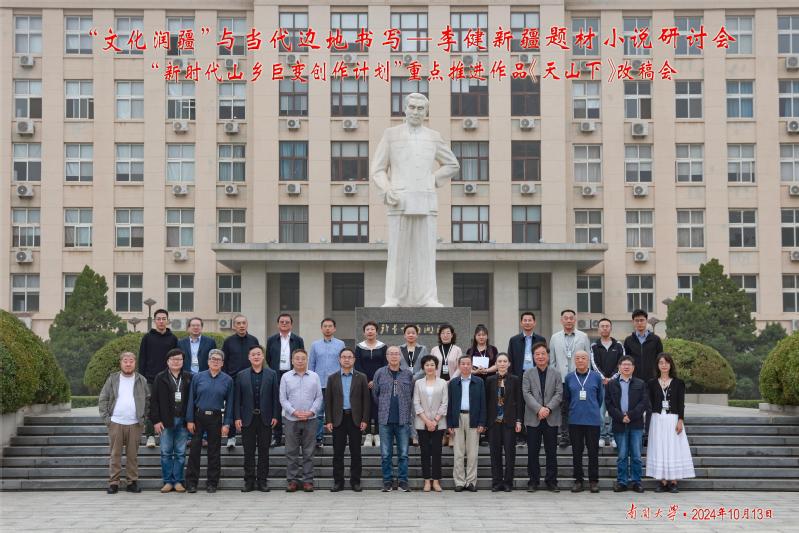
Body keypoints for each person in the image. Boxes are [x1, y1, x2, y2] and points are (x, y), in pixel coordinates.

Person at [371, 92, 460, 307]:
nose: (415, 112)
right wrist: (387, 188)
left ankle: (428, 297)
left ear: (426, 112)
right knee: (397, 254)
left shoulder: (433, 136)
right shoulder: (391, 135)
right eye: (412, 107)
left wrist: (432, 179)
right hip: (399, 201)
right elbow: (378, 169)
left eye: (420, 109)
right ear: (404, 108)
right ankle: (393, 298)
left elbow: (452, 164)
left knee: (425, 254)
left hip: (426, 202)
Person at [99, 351, 150, 494]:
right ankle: (113, 482)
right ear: (120, 363)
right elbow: (103, 398)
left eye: (131, 361)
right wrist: (107, 419)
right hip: (116, 422)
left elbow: (148, 400)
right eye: (125, 361)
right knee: (115, 454)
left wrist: (144, 418)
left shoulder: (141, 380)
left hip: (135, 423)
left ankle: (132, 482)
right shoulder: (112, 379)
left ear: (135, 363)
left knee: (132, 455)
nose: (128, 364)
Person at [185, 349, 234, 493]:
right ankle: (191, 483)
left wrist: (227, 423)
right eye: (213, 359)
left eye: (218, 359)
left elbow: (230, 403)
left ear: (222, 363)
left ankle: (212, 483)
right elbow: (191, 400)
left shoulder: (228, 380)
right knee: (194, 450)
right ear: (208, 361)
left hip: (216, 417)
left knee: (214, 451)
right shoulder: (198, 377)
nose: (215, 361)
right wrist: (189, 419)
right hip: (199, 417)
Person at [646, 353, 695, 493]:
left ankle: (673, 481)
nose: (664, 365)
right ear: (657, 365)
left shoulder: (679, 383)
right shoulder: (651, 383)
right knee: (659, 448)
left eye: (666, 362)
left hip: (673, 419)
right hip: (657, 419)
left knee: (673, 448)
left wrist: (680, 420)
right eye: (661, 362)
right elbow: (649, 403)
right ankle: (662, 481)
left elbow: (681, 403)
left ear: (671, 365)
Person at [234, 345, 280, 493]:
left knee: (264, 451)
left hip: (265, 418)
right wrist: (237, 417)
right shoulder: (241, 375)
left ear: (263, 356)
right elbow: (237, 399)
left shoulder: (272, 374)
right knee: (248, 452)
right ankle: (249, 481)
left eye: (259, 354)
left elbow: (275, 397)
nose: (256, 357)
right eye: (253, 354)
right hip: (247, 419)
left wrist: (275, 415)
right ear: (249, 357)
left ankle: (262, 481)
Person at [325, 347, 370, 492]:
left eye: (349, 357)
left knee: (356, 452)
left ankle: (355, 482)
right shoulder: (332, 378)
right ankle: (338, 482)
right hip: (338, 419)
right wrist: (329, 420)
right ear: (339, 359)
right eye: (344, 357)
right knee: (338, 453)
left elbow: (366, 400)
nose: (346, 359)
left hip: (355, 419)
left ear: (354, 360)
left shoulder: (361, 377)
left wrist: (365, 419)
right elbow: (328, 401)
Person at [279, 348, 323, 492]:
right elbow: (283, 398)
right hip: (291, 419)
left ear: (307, 360)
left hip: (310, 419)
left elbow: (319, 397)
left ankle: (308, 481)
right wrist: (294, 412)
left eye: (303, 358)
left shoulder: (314, 376)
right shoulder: (285, 377)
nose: (300, 361)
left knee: (308, 452)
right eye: (297, 358)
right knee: (291, 451)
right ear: (292, 360)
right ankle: (292, 480)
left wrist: (311, 412)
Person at [150, 348, 192, 493]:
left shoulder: (188, 377)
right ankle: (168, 481)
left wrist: (191, 419)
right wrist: (156, 420)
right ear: (167, 361)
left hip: (183, 420)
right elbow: (154, 401)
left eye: (179, 359)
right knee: (166, 452)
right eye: (173, 359)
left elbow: (192, 400)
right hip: (165, 420)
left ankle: (178, 481)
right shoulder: (160, 377)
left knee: (180, 453)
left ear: (183, 361)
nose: (176, 362)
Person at [522, 342, 563, 493]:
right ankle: (533, 481)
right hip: (533, 418)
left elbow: (559, 393)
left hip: (551, 418)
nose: (540, 356)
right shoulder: (527, 373)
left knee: (551, 452)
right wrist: (539, 409)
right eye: (537, 354)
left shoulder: (556, 373)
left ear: (548, 356)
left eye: (543, 354)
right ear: (533, 357)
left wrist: (548, 408)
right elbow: (526, 393)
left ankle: (551, 481)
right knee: (532, 451)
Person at [372, 346, 414, 492]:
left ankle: (403, 481)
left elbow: (411, 394)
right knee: (385, 454)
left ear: (400, 356)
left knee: (403, 454)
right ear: (387, 356)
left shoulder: (407, 374)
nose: (394, 356)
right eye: (391, 354)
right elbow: (375, 394)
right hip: (385, 420)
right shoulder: (379, 373)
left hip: (403, 420)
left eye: (396, 354)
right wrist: (384, 407)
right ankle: (387, 481)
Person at [606, 355, 650, 493]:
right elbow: (609, 404)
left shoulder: (640, 384)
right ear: (619, 367)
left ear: (633, 368)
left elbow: (643, 403)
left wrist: (630, 415)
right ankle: (622, 482)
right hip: (619, 424)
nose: (626, 367)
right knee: (622, 455)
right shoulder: (611, 384)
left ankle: (637, 481)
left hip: (636, 424)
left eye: (629, 365)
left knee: (636, 455)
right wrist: (621, 417)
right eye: (623, 364)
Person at [563, 351, 604, 493]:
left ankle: (593, 481)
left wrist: (591, 408)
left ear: (588, 360)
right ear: (574, 361)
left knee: (593, 452)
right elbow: (567, 398)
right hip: (575, 420)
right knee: (577, 452)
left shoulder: (596, 377)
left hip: (592, 420)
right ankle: (578, 480)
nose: (580, 360)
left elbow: (600, 398)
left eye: (583, 358)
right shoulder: (569, 377)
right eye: (578, 358)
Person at [549, 309, 590, 448]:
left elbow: (587, 358)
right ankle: (565, 436)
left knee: (579, 407)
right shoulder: (555, 338)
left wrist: (587, 377)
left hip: (579, 379)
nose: (568, 320)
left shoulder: (583, 336)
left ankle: (579, 436)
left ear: (575, 319)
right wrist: (554, 379)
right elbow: (552, 361)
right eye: (565, 318)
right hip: (561, 380)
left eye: (571, 318)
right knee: (564, 409)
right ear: (561, 320)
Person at [138, 308, 178, 448]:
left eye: (163, 319)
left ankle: (165, 435)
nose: (161, 321)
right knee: (150, 407)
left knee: (167, 406)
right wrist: (142, 378)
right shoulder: (147, 338)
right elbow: (142, 359)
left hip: (168, 379)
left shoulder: (173, 338)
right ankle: (150, 436)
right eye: (158, 319)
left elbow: (176, 359)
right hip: (150, 379)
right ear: (155, 321)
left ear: (167, 320)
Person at [446, 354, 487, 492]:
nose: (465, 366)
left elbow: (483, 403)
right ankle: (459, 481)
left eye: (468, 363)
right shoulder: (453, 383)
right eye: (463, 364)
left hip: (473, 418)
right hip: (457, 418)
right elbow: (450, 404)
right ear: (459, 366)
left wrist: (482, 422)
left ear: (471, 366)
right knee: (458, 452)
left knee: (472, 453)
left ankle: (471, 481)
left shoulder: (479, 382)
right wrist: (449, 423)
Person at [221, 314, 260, 449]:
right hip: (233, 380)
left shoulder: (253, 340)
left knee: (250, 406)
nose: (241, 326)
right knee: (232, 407)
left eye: (244, 323)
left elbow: (258, 358)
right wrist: (225, 379)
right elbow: (224, 361)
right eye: (238, 323)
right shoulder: (228, 341)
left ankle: (250, 436)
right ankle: (231, 437)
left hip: (251, 379)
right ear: (234, 326)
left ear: (247, 324)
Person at [486, 353, 523, 492]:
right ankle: (496, 482)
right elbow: (486, 401)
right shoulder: (490, 380)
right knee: (495, 453)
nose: (502, 364)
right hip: (494, 422)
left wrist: (519, 420)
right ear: (496, 364)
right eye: (499, 361)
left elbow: (519, 401)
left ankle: (508, 482)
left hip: (509, 421)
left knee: (509, 454)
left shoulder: (515, 379)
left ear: (509, 364)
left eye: (504, 361)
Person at [266, 313, 304, 448]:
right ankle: (276, 436)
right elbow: (268, 358)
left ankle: (297, 437)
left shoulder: (298, 340)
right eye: (281, 322)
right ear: (278, 324)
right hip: (276, 375)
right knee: (277, 405)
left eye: (287, 322)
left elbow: (301, 357)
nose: (284, 324)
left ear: (291, 324)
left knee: (295, 404)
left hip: (293, 375)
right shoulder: (271, 340)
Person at [413, 354, 448, 492]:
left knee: (437, 452)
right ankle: (427, 480)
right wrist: (427, 421)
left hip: (439, 423)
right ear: (423, 367)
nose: (429, 367)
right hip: (422, 423)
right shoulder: (418, 383)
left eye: (432, 365)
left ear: (436, 367)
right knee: (425, 452)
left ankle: (436, 481)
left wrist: (435, 421)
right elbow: (416, 403)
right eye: (427, 365)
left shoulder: (443, 382)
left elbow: (445, 403)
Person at [309, 318, 345, 449]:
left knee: (337, 412)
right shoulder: (315, 345)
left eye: (330, 326)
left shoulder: (341, 344)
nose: (327, 328)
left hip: (336, 384)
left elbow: (344, 362)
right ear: (321, 328)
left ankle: (338, 437)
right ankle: (318, 438)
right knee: (318, 413)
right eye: (325, 326)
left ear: (334, 328)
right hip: (319, 384)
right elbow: (311, 364)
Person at [590, 318, 625, 448]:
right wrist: (603, 378)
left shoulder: (618, 345)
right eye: (602, 326)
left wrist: (612, 378)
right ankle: (602, 435)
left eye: (607, 326)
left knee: (613, 411)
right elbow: (593, 364)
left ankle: (612, 436)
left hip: (615, 384)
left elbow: (622, 363)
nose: (605, 328)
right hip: (600, 384)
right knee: (600, 411)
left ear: (611, 328)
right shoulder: (594, 346)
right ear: (598, 329)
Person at [354, 321, 388, 447]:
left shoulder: (383, 347)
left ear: (376, 332)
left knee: (379, 406)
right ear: (364, 332)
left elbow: (385, 364)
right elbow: (357, 364)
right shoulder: (359, 347)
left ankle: (377, 434)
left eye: (372, 329)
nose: (370, 331)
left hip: (380, 382)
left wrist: (375, 380)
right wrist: (367, 380)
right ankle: (368, 434)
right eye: (367, 329)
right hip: (364, 382)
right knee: (366, 406)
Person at [622, 309, 664, 385]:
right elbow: (626, 361)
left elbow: (660, 360)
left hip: (653, 380)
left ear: (646, 321)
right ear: (633, 322)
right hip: (634, 380)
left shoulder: (656, 339)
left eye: (642, 320)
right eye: (637, 320)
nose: (639, 323)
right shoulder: (628, 341)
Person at [507, 312, 547, 379]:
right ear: (521, 323)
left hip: (537, 374)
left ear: (534, 323)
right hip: (518, 375)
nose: (527, 323)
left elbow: (545, 358)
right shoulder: (514, 340)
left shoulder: (541, 339)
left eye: (530, 320)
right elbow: (510, 359)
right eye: (525, 320)